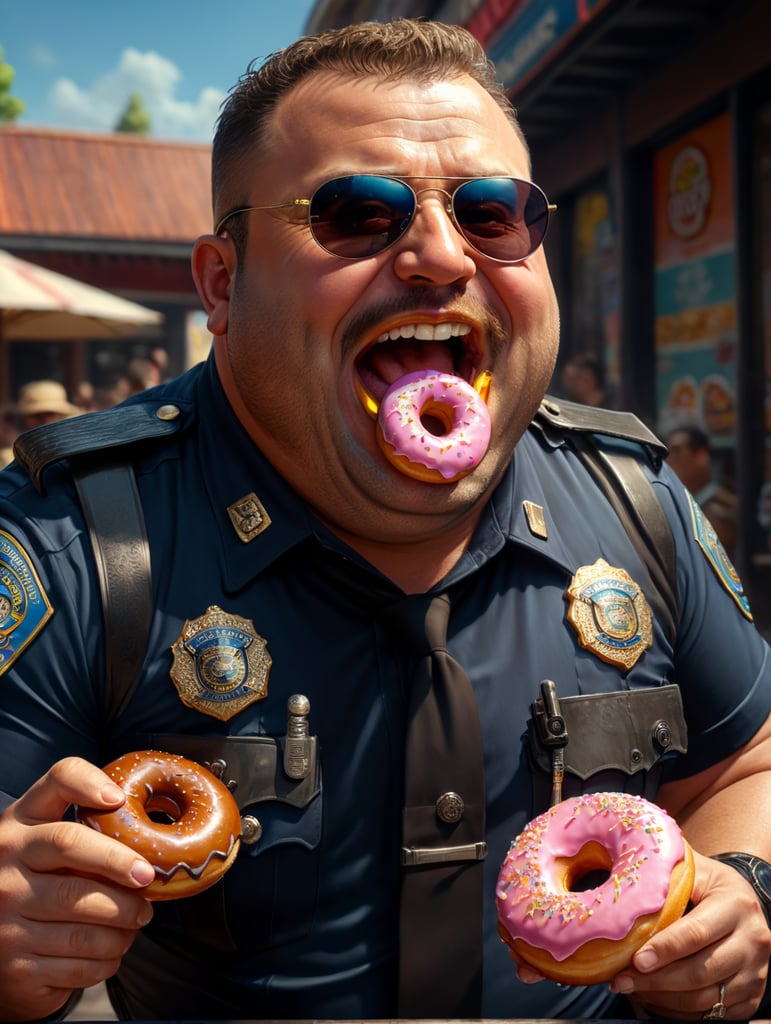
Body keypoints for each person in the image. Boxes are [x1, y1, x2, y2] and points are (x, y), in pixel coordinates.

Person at [0, 18, 769, 1023]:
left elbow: (748, 762)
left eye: (493, 213)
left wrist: (744, 887)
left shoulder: (636, 503)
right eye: (359, 213)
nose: (442, 256)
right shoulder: (80, 541)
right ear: (221, 285)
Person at [665, 424, 738, 558]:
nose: (669, 461)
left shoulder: (719, 508)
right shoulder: (681, 505)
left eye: (677, 451)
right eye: (667, 454)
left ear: (701, 455)